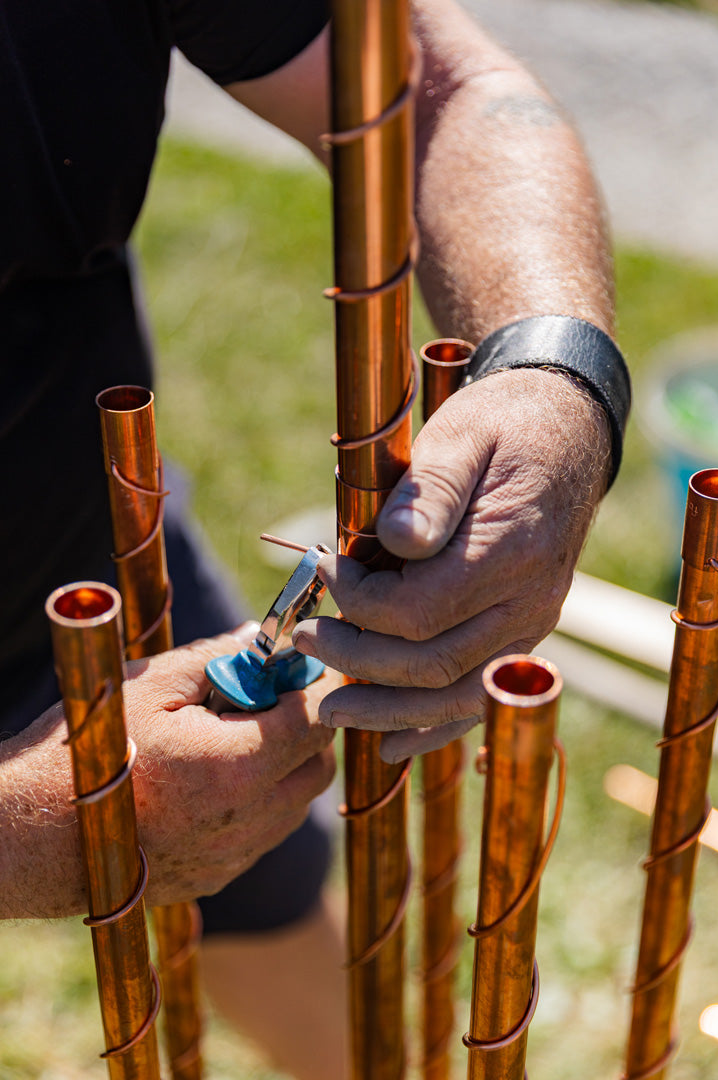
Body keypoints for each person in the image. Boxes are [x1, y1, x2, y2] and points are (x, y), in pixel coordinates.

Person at [0, 0, 629, 1077]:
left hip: (85, 549)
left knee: (271, 905)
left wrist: (556, 374)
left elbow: (441, 92)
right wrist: (25, 838)